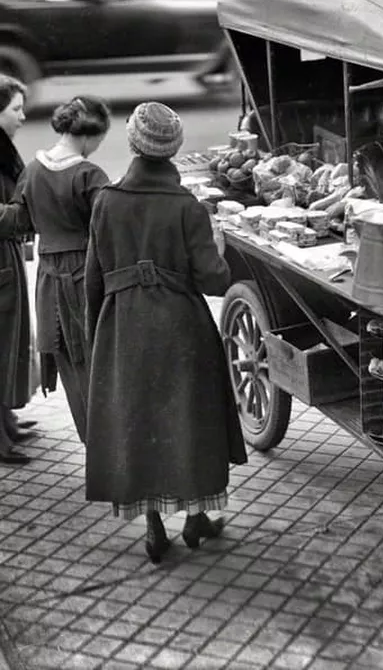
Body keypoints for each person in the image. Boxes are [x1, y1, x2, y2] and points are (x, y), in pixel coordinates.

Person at [84, 101, 247, 564]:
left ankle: (154, 528)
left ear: (133, 144)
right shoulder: (187, 207)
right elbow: (214, 280)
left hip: (123, 325)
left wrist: (99, 335)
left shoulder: (106, 201)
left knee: (140, 424)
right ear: (173, 150)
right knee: (190, 421)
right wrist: (219, 246)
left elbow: (93, 278)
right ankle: (196, 518)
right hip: (182, 327)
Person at [0, 95, 111, 444]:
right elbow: (110, 230)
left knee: (68, 362)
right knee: (98, 360)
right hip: (85, 275)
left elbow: (18, 221)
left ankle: (91, 440)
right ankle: (108, 446)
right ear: (90, 135)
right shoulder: (89, 174)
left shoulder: (33, 170)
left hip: (48, 278)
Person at [0, 74, 35, 465]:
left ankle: (6, 422)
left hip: (6, 260)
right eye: (16, 109)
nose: (23, 117)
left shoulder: (3, 147)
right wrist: (25, 212)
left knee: (8, 344)